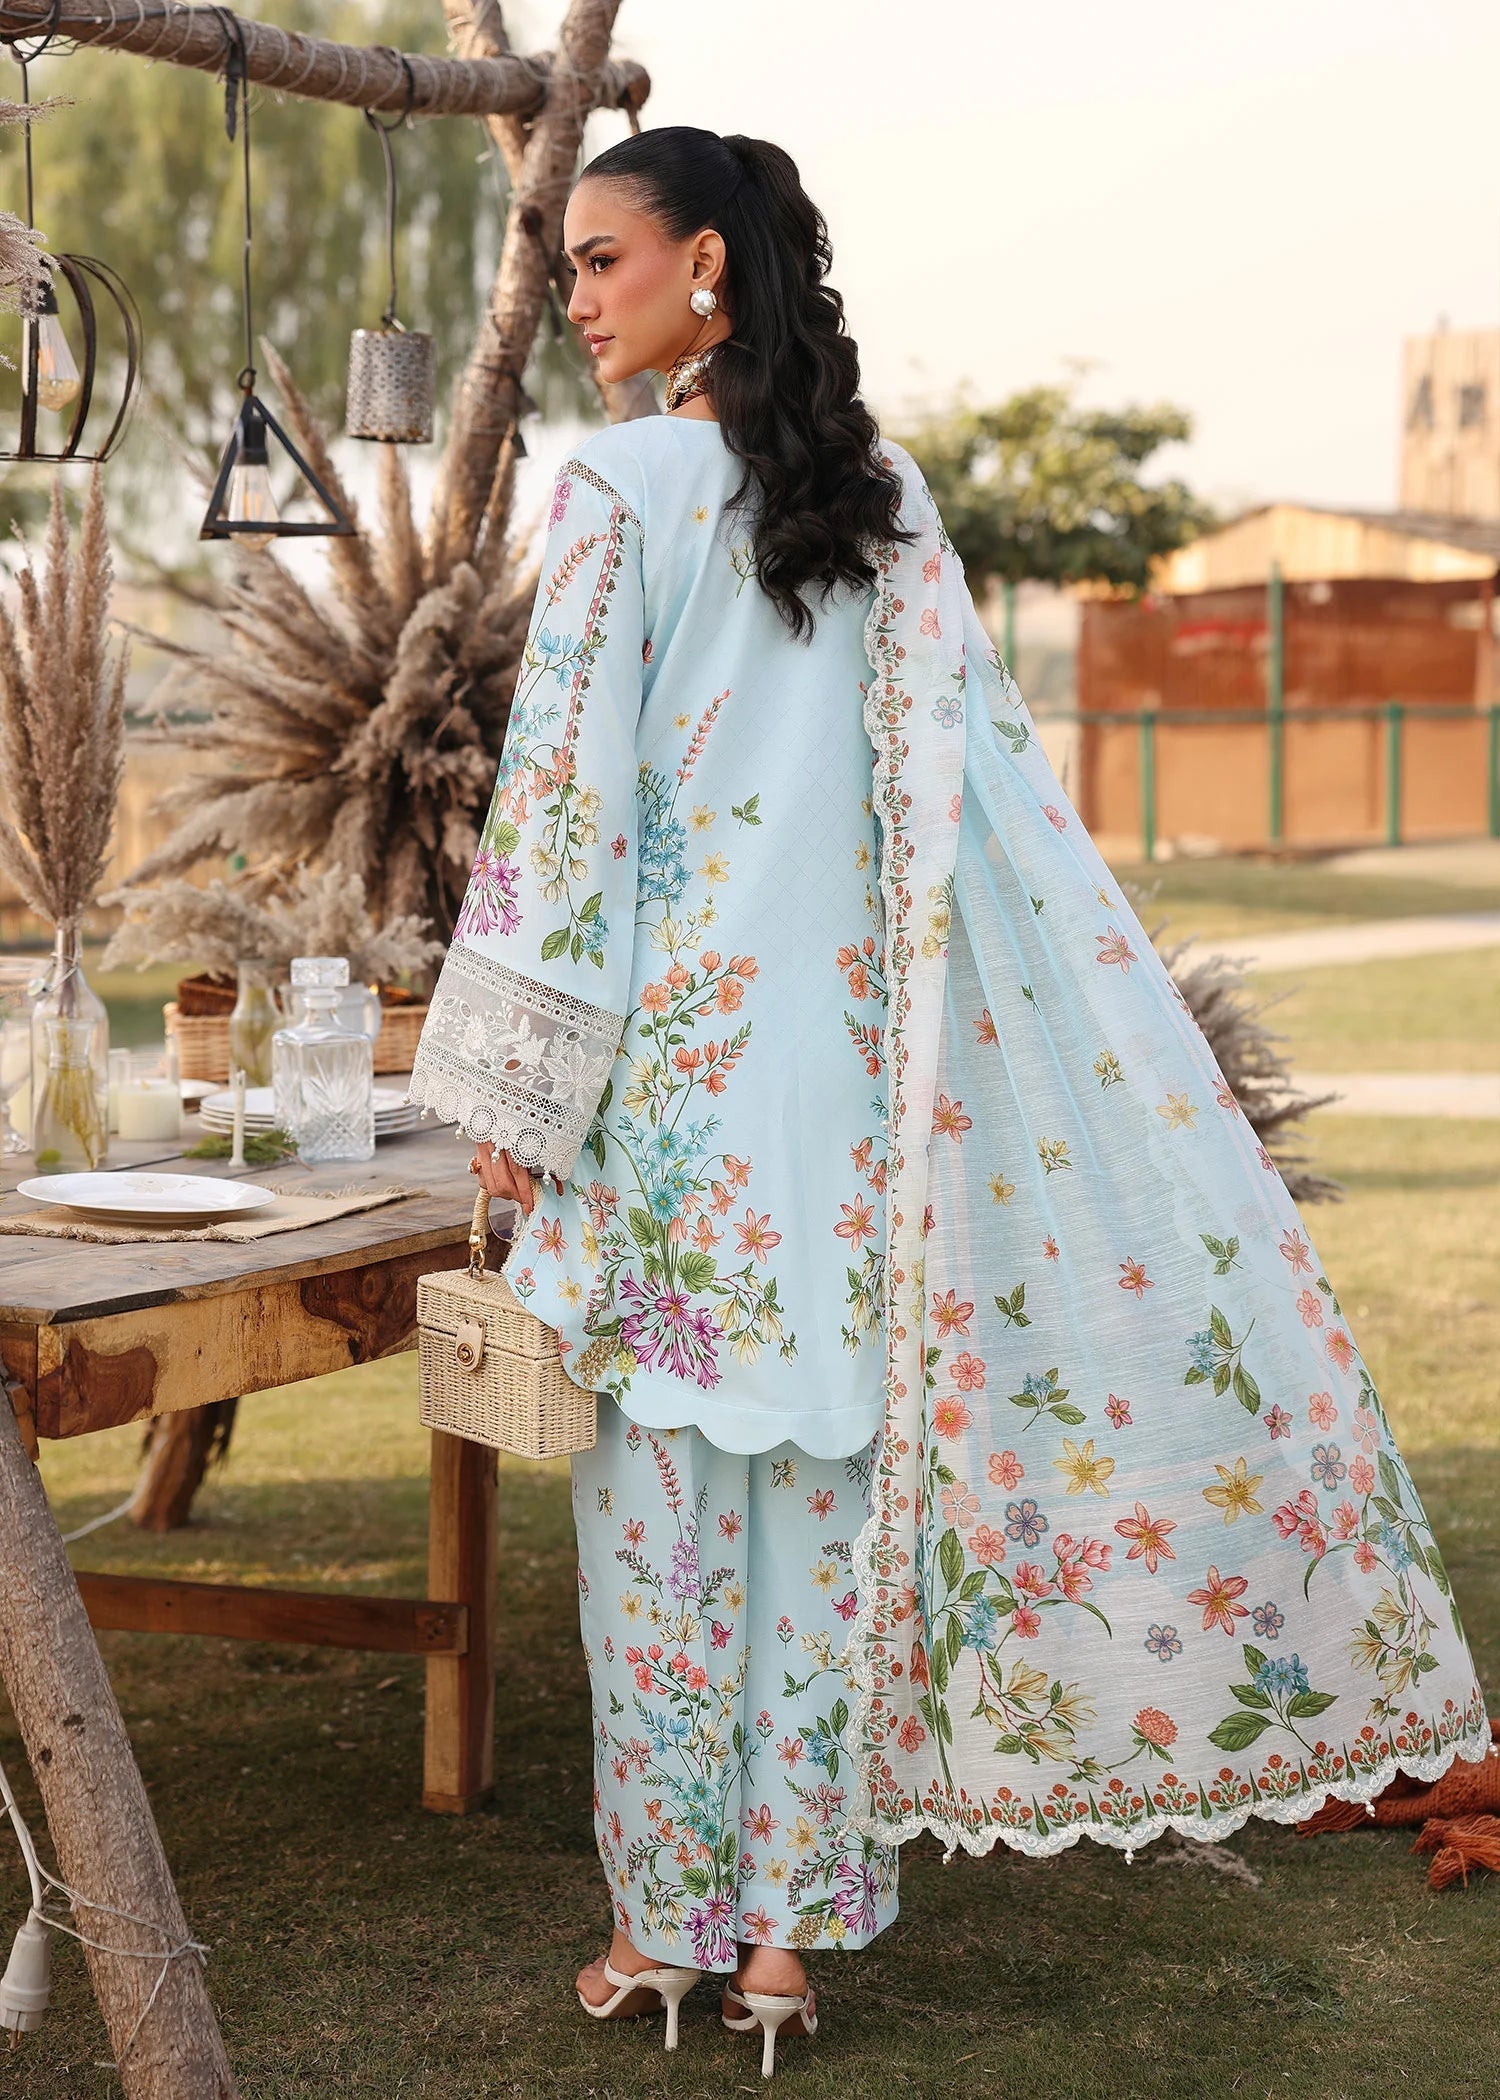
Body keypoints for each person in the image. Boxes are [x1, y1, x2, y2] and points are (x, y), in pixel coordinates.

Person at [405, 126, 1489, 2076]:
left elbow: (568, 815)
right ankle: (784, 1953)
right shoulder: (884, 502)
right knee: (829, 1544)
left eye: (599, 259)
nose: (574, 301)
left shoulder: (621, 490)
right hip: (846, 1119)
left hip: (675, 1113)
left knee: (664, 1549)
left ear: (706, 265)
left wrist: (518, 1091)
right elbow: (981, 800)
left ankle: (664, 1931)